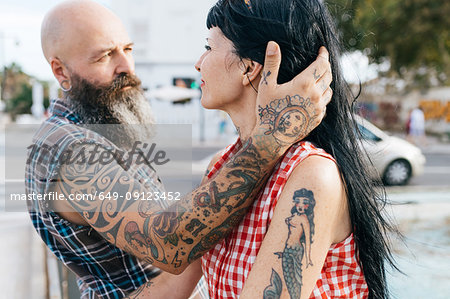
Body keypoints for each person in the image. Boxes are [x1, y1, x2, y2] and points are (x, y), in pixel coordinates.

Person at [25, 0, 332, 298]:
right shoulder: (68, 150)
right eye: (104, 56)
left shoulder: (104, 128)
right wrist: (270, 138)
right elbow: (169, 244)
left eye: (128, 49)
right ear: (60, 71)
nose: (126, 67)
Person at [190, 0, 398, 298]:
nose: (199, 62)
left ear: (249, 67)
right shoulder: (221, 166)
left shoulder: (311, 175)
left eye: (209, 48)